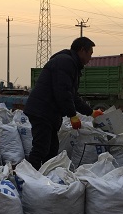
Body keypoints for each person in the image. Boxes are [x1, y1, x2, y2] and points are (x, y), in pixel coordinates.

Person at [23, 36, 102, 170]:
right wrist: (72, 115)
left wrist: (91, 112)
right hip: (42, 110)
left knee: (52, 150)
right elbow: (62, 92)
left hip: (48, 112)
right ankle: (28, 177)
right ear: (82, 50)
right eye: (90, 54)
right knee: (41, 148)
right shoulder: (65, 62)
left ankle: (47, 176)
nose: (90, 58)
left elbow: (73, 96)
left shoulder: (71, 64)